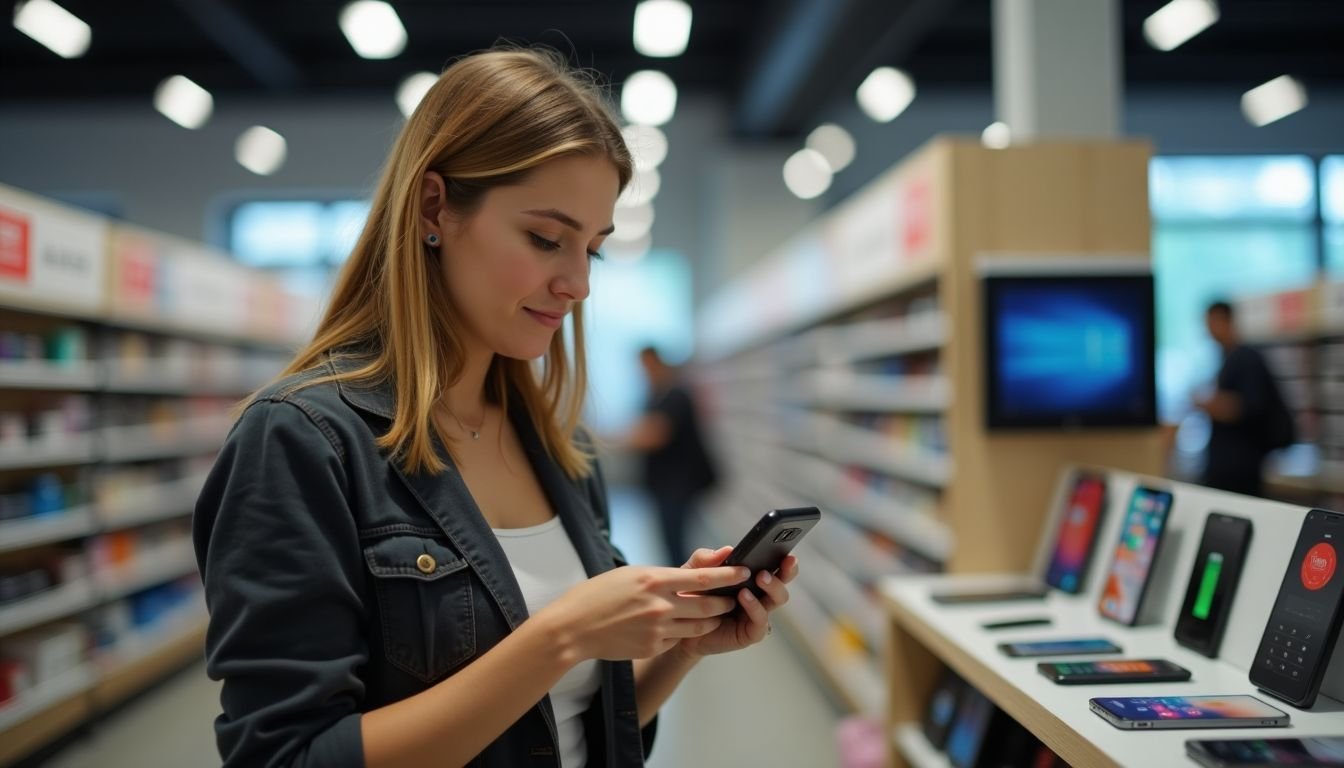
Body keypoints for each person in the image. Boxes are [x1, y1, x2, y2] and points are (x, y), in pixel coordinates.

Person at [193, 47, 796, 768]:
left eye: (593, 250)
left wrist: (682, 649)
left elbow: (570, 723)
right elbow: (284, 757)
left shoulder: (558, 444)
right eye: (546, 239)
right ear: (433, 207)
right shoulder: (300, 442)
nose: (577, 284)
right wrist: (560, 636)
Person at [625, 346, 720, 565]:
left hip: (678, 485)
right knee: (670, 540)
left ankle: (683, 587)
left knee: (676, 542)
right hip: (665, 484)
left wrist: (618, 440)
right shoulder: (655, 394)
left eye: (645, 365)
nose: (643, 371)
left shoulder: (675, 394)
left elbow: (655, 435)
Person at [1195, 299, 1292, 497]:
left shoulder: (1246, 358)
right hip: (1229, 464)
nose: (1208, 330)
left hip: (1240, 466)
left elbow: (1250, 406)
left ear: (1224, 320)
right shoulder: (1227, 358)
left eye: (1211, 322)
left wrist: (1211, 404)